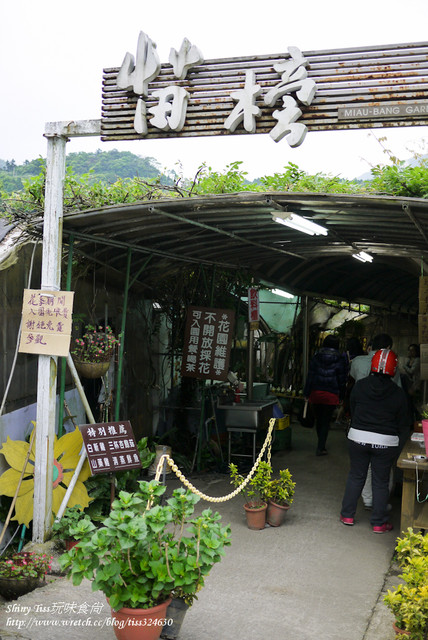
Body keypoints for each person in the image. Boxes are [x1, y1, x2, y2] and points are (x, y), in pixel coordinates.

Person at [340, 349, 408, 533]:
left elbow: (352, 409)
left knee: (356, 476)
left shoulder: (360, 386)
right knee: (380, 481)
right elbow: (403, 423)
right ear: (393, 369)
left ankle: (347, 515)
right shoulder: (398, 393)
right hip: (386, 443)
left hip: (357, 438)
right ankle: (378, 523)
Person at [303, 335, 348, 456]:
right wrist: (342, 396)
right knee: (326, 420)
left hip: (316, 393)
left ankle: (320, 443)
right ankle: (320, 447)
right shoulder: (340, 359)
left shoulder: (316, 356)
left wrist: (306, 392)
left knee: (319, 420)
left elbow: (310, 376)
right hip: (331, 394)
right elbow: (342, 380)